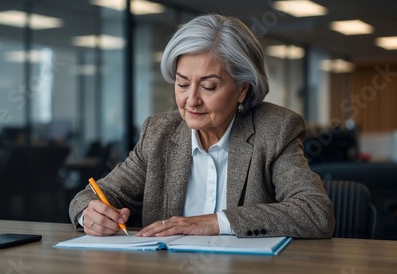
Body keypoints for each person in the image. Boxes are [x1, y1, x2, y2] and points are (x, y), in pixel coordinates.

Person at [69, 14, 335, 238]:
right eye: (182, 84)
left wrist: (215, 222)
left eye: (209, 86)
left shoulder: (274, 129)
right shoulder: (159, 132)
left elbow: (316, 212)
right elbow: (91, 196)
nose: (191, 100)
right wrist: (89, 215)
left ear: (242, 89)